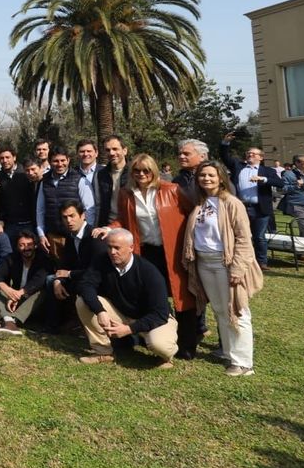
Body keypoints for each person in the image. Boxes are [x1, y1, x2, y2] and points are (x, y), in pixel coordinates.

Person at [108, 154, 199, 358]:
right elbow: (123, 220)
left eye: (146, 170)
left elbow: (192, 213)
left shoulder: (171, 190)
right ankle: (148, 335)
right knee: (150, 296)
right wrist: (109, 228)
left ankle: (187, 344)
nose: (141, 174)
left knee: (182, 298)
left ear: (154, 171)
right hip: (145, 252)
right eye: (137, 170)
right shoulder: (126, 194)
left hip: (172, 251)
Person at [182, 161, 264, 376]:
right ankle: (228, 352)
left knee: (236, 310)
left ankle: (243, 362)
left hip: (225, 263)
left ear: (221, 178)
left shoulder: (231, 203)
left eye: (211, 175)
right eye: (202, 175)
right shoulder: (199, 203)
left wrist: (237, 268)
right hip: (204, 262)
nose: (206, 179)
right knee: (219, 309)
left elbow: (244, 238)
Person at [74, 228, 178, 368]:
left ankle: (166, 358)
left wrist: (129, 329)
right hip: (122, 313)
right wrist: (100, 311)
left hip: (153, 318)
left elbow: (160, 313)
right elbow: (85, 285)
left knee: (160, 346)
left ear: (131, 248)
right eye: (109, 247)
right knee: (82, 302)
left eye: (117, 248)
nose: (112, 252)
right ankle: (103, 352)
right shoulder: (102, 260)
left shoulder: (149, 272)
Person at [44, 202, 103, 333]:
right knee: (51, 280)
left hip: (95, 281)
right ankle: (53, 327)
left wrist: (69, 274)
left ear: (83, 216)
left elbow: (96, 271)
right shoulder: (71, 236)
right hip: (79, 276)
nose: (69, 221)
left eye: (72, 216)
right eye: (65, 217)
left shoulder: (94, 236)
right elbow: (66, 263)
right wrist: (58, 280)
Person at [0, 230, 52, 338]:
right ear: (17, 247)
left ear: (35, 245)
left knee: (41, 291)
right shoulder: (12, 258)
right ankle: (9, 321)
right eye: (22, 245)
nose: (26, 248)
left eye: (29, 244)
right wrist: (8, 290)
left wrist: (18, 294)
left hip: (32, 302)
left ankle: (10, 320)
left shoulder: (43, 259)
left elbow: (38, 281)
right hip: (14, 300)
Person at [36, 147, 94, 257]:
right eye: (56, 161)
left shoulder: (80, 180)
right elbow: (40, 210)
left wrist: (86, 234)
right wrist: (41, 234)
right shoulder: (44, 181)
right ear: (50, 162)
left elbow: (90, 209)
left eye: (63, 160)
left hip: (76, 236)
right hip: (53, 236)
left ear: (68, 160)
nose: (60, 164)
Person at [0, 148, 36, 235]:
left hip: (28, 223)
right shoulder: (0, 176)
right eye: (2, 158)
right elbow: (2, 200)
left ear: (14, 157)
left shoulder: (25, 172)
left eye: (7, 157)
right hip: (10, 224)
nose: (5, 161)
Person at [95, 135, 131, 228]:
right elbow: (99, 204)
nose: (111, 153)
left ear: (124, 150)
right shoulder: (101, 175)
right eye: (107, 150)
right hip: (108, 225)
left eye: (115, 149)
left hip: (130, 224)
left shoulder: (135, 172)